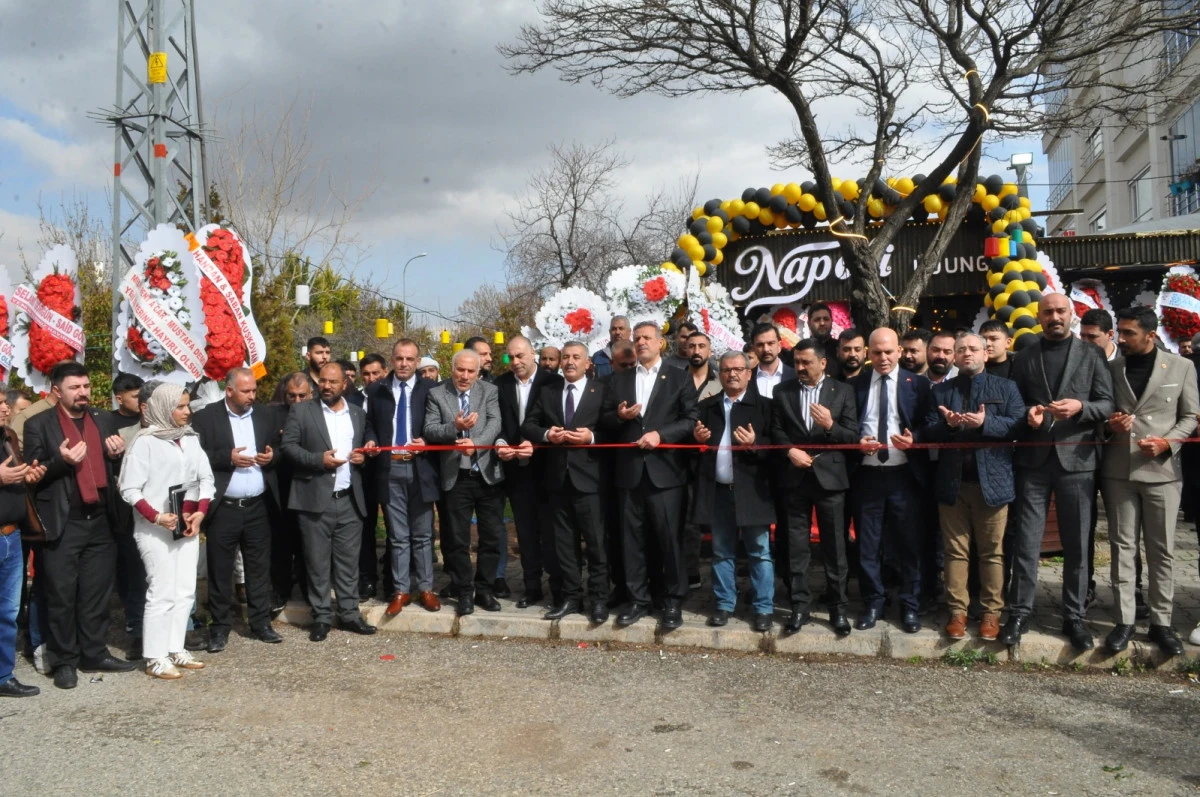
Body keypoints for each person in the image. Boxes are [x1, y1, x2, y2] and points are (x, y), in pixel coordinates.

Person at [1004, 292, 1114, 650]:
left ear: (1071, 315)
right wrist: (1029, 416)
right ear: (1038, 315)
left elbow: (1107, 403)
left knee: (1078, 544)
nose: (1055, 317)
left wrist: (1081, 406)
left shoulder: (1091, 354)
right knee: (1026, 542)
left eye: (1060, 311)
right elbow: (1015, 404)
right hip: (1034, 462)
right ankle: (1019, 612)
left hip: (1077, 461)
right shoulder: (1024, 357)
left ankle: (1074, 616)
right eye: (1048, 311)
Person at [25, 362, 138, 688]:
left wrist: (116, 455)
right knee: (60, 595)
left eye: (86, 386)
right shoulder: (39, 424)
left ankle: (93, 652)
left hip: (101, 521)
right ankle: (64, 661)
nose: (83, 392)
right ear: (57, 391)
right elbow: (33, 475)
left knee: (95, 593)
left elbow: (112, 462)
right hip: (64, 522)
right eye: (75, 387)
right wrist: (62, 461)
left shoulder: (103, 419)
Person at [908, 334, 1023, 642]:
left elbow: (1018, 425)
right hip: (952, 483)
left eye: (973, 349)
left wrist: (985, 424)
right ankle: (957, 612)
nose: (967, 354)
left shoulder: (1006, 387)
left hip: (993, 483)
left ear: (986, 353)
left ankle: (991, 613)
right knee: (954, 552)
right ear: (955, 358)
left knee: (992, 553)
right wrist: (947, 425)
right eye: (962, 350)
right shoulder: (943, 391)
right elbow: (929, 430)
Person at [1100, 306, 1198, 656]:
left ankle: (1162, 623)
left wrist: (1167, 443)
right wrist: (1110, 426)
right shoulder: (1111, 368)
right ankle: (1124, 620)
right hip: (1119, 471)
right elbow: (1101, 411)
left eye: (1128, 333)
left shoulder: (1182, 367)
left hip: (1162, 473)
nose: (1121, 339)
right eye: (1120, 332)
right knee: (1122, 547)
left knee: (1162, 552)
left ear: (1150, 335)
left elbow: (1190, 416)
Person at [601, 321, 699, 631]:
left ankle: (671, 600)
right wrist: (619, 416)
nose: (640, 342)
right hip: (630, 471)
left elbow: (690, 420)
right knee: (632, 541)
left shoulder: (679, 378)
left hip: (666, 471)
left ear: (661, 344)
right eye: (637, 338)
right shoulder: (619, 379)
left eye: (647, 338)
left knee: (668, 538)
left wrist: (661, 434)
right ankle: (638, 600)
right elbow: (603, 419)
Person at [118, 383, 215, 679]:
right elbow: (129, 489)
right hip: (154, 529)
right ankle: (154, 656)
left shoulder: (190, 438)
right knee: (161, 591)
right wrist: (156, 516)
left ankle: (175, 647)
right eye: (181, 407)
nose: (187, 412)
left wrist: (200, 512)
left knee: (185, 590)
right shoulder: (145, 442)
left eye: (188, 406)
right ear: (163, 407)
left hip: (185, 525)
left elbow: (206, 478)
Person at [281, 363, 376, 642]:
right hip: (313, 499)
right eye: (322, 381)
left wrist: (364, 454)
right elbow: (288, 448)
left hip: (349, 499)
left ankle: (349, 613)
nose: (326, 386)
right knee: (317, 562)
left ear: (345, 383)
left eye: (332, 381)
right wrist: (317, 460)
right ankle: (321, 616)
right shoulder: (302, 410)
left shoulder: (357, 413)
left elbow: (367, 438)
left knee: (348, 563)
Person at [770, 338, 859, 635]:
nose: (800, 367)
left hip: (830, 479)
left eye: (806, 362)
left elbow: (852, 436)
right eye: (797, 362)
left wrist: (831, 426)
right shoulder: (782, 391)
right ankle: (799, 607)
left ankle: (838, 609)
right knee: (797, 548)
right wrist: (788, 451)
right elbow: (776, 430)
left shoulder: (843, 391)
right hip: (795, 478)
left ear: (823, 363)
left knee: (835, 547)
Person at [191, 368, 283, 653]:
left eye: (254, 390)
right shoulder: (207, 417)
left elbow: (279, 448)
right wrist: (226, 459)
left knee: (258, 567)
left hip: (257, 505)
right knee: (220, 570)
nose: (252, 396)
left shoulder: (264, 415)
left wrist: (271, 457)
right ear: (229, 391)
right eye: (246, 391)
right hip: (224, 508)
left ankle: (260, 623)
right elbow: (196, 456)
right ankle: (219, 627)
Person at [848, 329, 931, 634]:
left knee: (910, 545)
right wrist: (857, 441)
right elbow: (847, 424)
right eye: (876, 353)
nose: (883, 358)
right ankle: (873, 602)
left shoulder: (918, 384)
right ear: (868, 354)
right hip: (867, 476)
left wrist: (916, 438)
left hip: (905, 476)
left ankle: (909, 605)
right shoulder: (854, 385)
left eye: (888, 352)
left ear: (898, 351)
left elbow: (930, 422)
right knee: (868, 546)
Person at [521, 341, 610, 623]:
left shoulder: (601, 391)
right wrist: (548, 435)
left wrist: (592, 438)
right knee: (564, 545)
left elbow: (614, 429)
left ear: (587, 364)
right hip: (557, 480)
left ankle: (599, 600)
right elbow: (529, 425)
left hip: (591, 480)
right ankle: (572, 598)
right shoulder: (549, 391)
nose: (570, 362)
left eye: (576, 357)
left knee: (596, 545)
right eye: (566, 357)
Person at [692, 351, 775, 632]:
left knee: (760, 551)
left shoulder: (764, 407)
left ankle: (764, 607)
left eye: (739, 369)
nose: (732, 374)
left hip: (752, 491)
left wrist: (755, 443)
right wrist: (697, 441)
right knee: (721, 551)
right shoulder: (707, 407)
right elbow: (694, 453)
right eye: (726, 370)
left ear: (749, 373)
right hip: (718, 490)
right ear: (720, 373)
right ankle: (724, 604)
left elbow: (776, 447)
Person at [423, 349, 506, 615]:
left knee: (491, 536)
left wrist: (476, 444)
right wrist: (455, 428)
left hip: (485, 475)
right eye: (461, 370)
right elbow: (430, 429)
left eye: (471, 371)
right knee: (456, 539)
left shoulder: (488, 391)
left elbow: (495, 423)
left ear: (478, 372)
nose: (465, 376)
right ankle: (463, 590)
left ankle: (484, 589)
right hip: (455, 477)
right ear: (452, 367)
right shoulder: (437, 394)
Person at [364, 339, 441, 616]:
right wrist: (371, 440)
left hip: (421, 468)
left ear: (418, 362)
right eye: (399, 358)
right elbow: (369, 423)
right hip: (390, 468)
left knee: (422, 534)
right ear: (391, 360)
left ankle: (426, 589)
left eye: (410, 359)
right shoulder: (377, 390)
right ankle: (400, 590)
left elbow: (439, 425)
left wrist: (428, 440)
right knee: (398, 535)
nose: (404, 364)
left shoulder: (431, 389)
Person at [495, 335, 563, 608]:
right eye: (510, 357)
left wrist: (536, 444)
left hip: (547, 467)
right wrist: (500, 443)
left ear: (533, 354)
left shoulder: (553, 383)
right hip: (516, 469)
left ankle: (558, 587)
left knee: (553, 531)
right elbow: (496, 421)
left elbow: (556, 421)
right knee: (525, 531)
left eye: (520, 356)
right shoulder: (500, 384)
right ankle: (531, 586)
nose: (515, 362)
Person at [0, 394, 46, 697]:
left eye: (5, 402)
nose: (5, 407)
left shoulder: (8, 436)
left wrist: (28, 475)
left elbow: (16, 480)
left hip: (12, 536)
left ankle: (4, 676)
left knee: (8, 611)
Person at [108, 372, 146, 656]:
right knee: (129, 571)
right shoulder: (106, 423)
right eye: (135, 396)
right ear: (119, 398)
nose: (141, 400)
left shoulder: (150, 420)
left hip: (149, 507)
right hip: (119, 509)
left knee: (143, 570)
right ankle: (135, 625)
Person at [268, 372, 313, 606]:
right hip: (282, 487)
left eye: (302, 396)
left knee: (308, 544)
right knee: (282, 543)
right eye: (291, 396)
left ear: (311, 394)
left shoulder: (318, 413)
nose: (296, 401)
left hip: (309, 485)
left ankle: (309, 591)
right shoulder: (273, 415)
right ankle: (280, 591)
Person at [355, 352, 389, 598]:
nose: (371, 378)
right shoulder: (352, 399)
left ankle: (392, 581)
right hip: (362, 473)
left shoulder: (390, 394)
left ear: (385, 372)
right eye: (366, 374)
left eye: (376, 373)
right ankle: (367, 579)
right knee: (365, 528)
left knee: (393, 527)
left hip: (389, 470)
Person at [748, 323, 795, 399]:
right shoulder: (747, 378)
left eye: (770, 343)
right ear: (753, 348)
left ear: (779, 346)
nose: (766, 349)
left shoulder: (795, 376)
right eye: (760, 345)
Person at [684, 331, 721, 401]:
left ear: (710, 352)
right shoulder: (674, 380)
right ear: (686, 351)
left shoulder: (721, 382)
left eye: (701, 346)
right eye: (692, 346)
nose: (696, 351)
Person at [807, 302, 840, 375]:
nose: (822, 323)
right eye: (817, 320)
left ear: (832, 321)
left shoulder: (841, 349)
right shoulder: (799, 351)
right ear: (808, 323)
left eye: (826, 319)